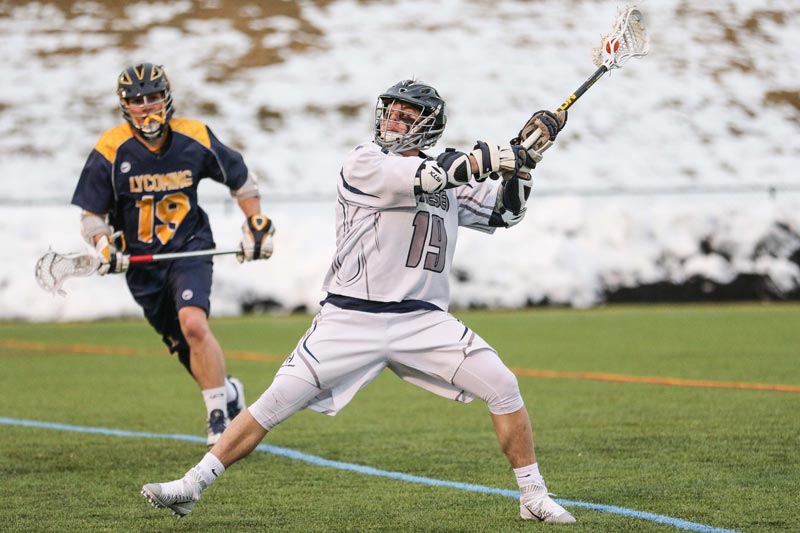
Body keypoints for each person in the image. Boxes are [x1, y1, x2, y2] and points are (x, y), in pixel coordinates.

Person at [141, 79, 575, 524]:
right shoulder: (365, 161)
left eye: (406, 116)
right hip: (350, 318)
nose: (393, 120)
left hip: (422, 319)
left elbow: (505, 213)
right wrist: (499, 155)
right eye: (390, 111)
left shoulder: (444, 173)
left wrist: (525, 163)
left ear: (429, 126)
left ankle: (533, 496)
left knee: (502, 385)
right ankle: (191, 485)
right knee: (273, 403)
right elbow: (429, 175)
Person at [71, 62, 276, 448]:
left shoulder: (193, 136)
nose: (147, 107)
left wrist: (257, 222)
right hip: (141, 265)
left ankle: (218, 419)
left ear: (166, 98)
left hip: (190, 247)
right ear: (125, 105)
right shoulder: (110, 149)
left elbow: (242, 180)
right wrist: (104, 246)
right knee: (183, 345)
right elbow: (91, 217)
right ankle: (227, 392)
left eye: (152, 98)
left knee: (194, 325)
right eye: (137, 100)